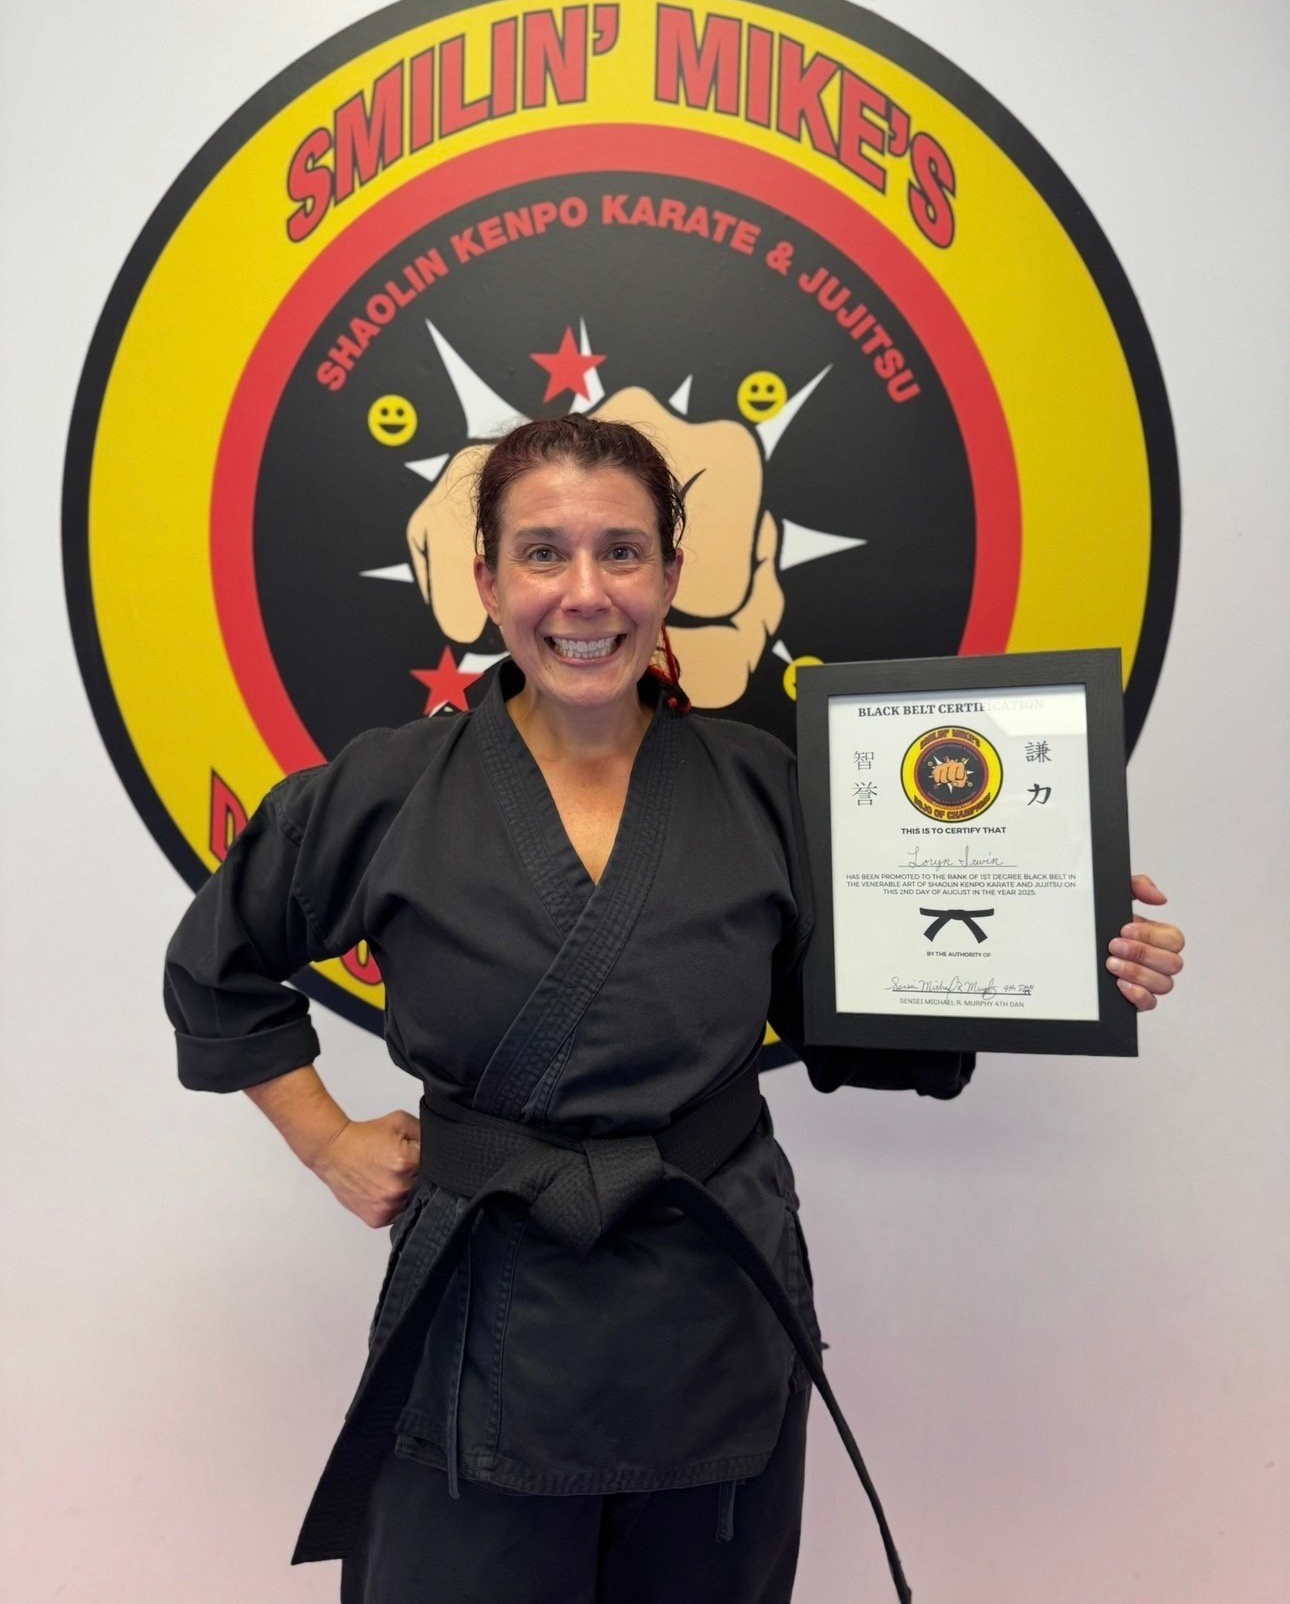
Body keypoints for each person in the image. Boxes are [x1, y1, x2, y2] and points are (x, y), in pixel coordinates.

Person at [162, 415, 1185, 1604]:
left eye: (623, 553)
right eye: (542, 553)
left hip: (709, 1301)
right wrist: (326, 1140)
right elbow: (220, 969)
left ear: (672, 579)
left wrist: (1071, 939)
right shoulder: (381, 794)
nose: (584, 593)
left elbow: (859, 1010)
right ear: (485, 580)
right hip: (486, 1315)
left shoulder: (767, 786)